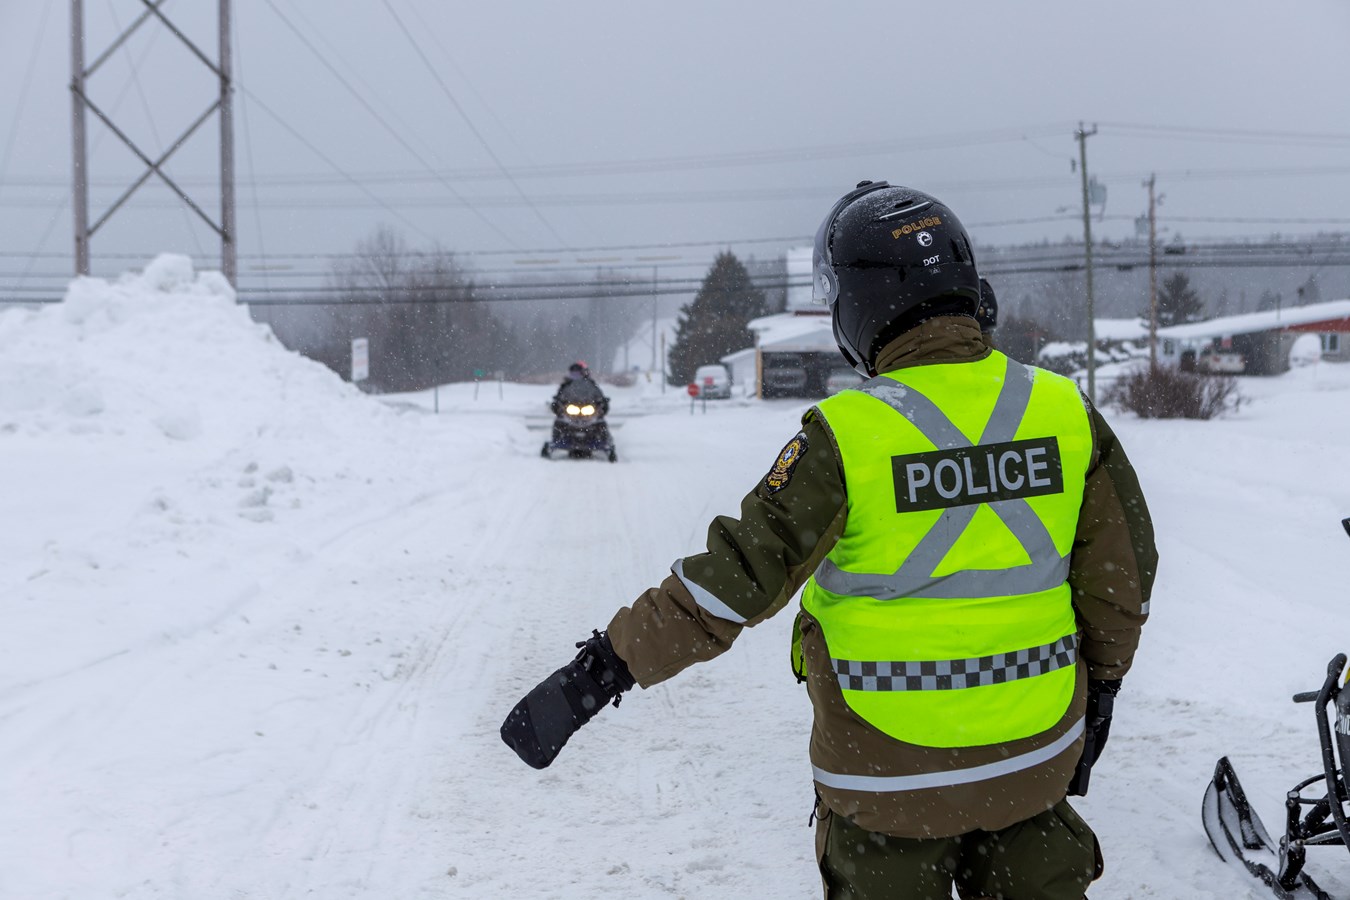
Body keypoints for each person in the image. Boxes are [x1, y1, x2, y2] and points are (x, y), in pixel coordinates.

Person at [502, 182, 1157, 899]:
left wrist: (599, 673)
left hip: (888, 785)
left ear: (858, 306)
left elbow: (732, 579)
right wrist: (1102, 692)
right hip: (1031, 767)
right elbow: (1121, 577)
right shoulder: (1063, 411)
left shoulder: (848, 435)